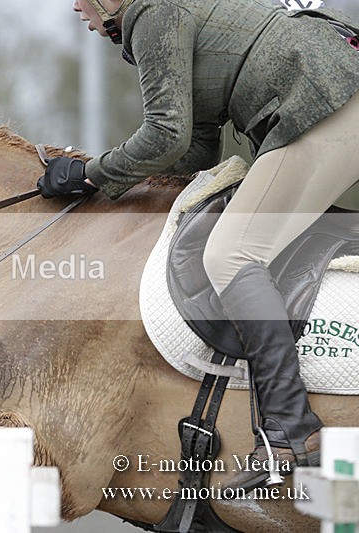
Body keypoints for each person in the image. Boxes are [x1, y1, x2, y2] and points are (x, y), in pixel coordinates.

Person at [38, 0, 359, 491]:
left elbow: (164, 134)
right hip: (334, 90)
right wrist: (118, 182)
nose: (76, 7)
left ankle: (291, 433)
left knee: (232, 254)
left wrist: (89, 174)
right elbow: (195, 145)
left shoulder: (151, 11)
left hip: (325, 98)